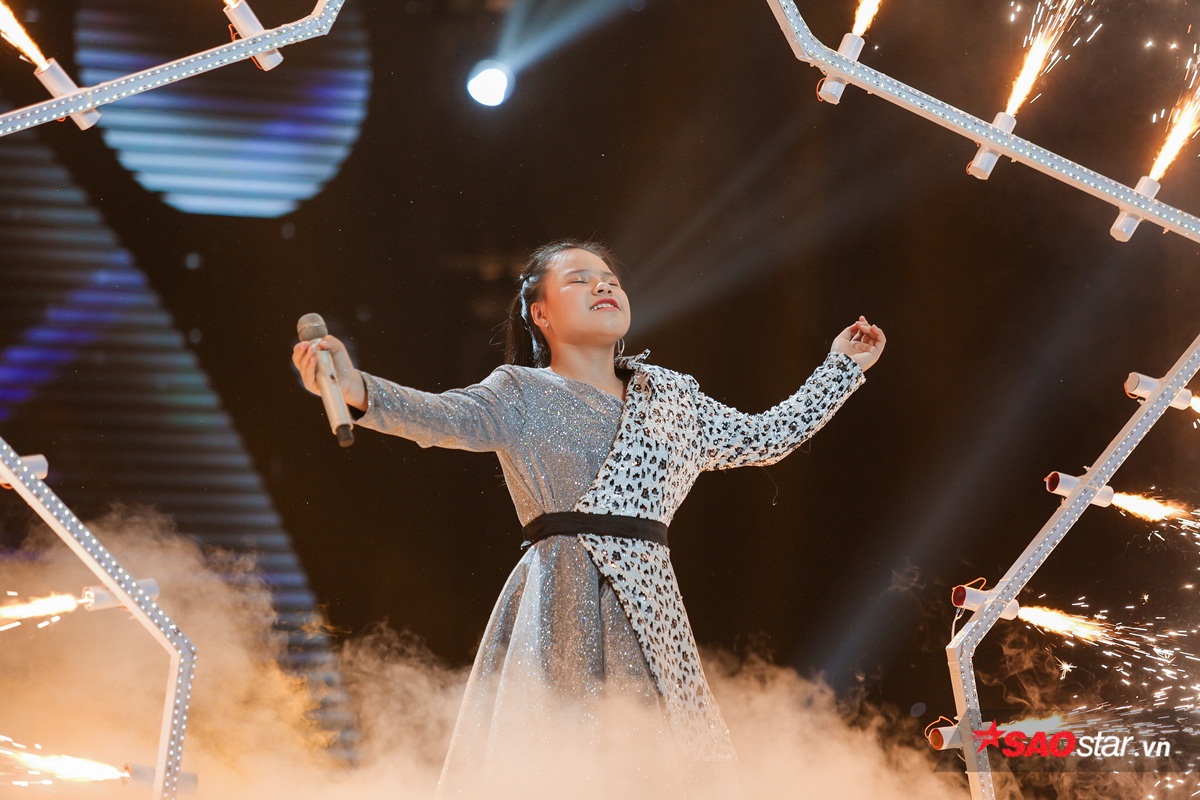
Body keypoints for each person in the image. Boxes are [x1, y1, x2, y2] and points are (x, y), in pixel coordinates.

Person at [291, 239, 885, 798]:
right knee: (562, 764)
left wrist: (841, 368)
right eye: (579, 280)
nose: (604, 286)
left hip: (652, 607)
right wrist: (355, 386)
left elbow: (765, 438)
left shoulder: (672, 397)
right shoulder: (520, 392)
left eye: (610, 280)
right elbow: (438, 417)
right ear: (540, 314)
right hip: (562, 596)